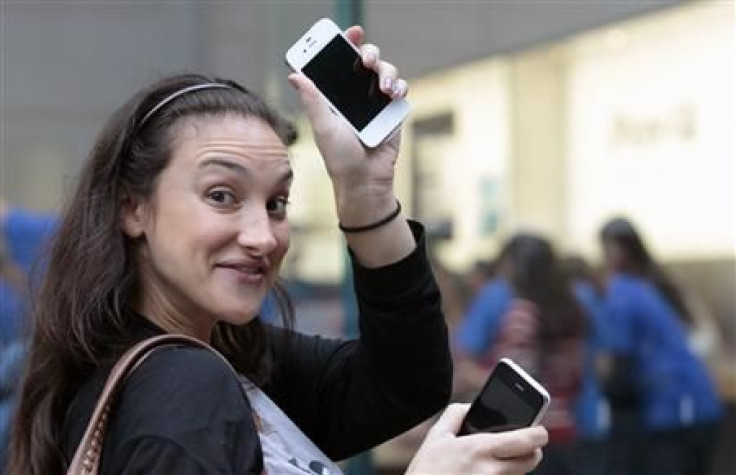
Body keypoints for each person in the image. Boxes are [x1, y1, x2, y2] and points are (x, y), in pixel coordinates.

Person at [8, 26, 547, 475]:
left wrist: (366, 194)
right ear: (133, 209)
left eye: (277, 202)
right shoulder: (185, 390)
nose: (263, 237)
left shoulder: (216, 353)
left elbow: (406, 382)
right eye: (222, 196)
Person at [599, 217, 723, 475]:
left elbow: (619, 364)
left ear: (613, 251)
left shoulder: (623, 292)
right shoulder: (656, 283)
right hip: (697, 406)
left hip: (671, 410)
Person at [454, 233, 586, 475]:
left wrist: (470, 375)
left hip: (530, 438)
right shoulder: (571, 310)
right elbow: (575, 377)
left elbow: (516, 383)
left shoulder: (522, 314)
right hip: (566, 433)